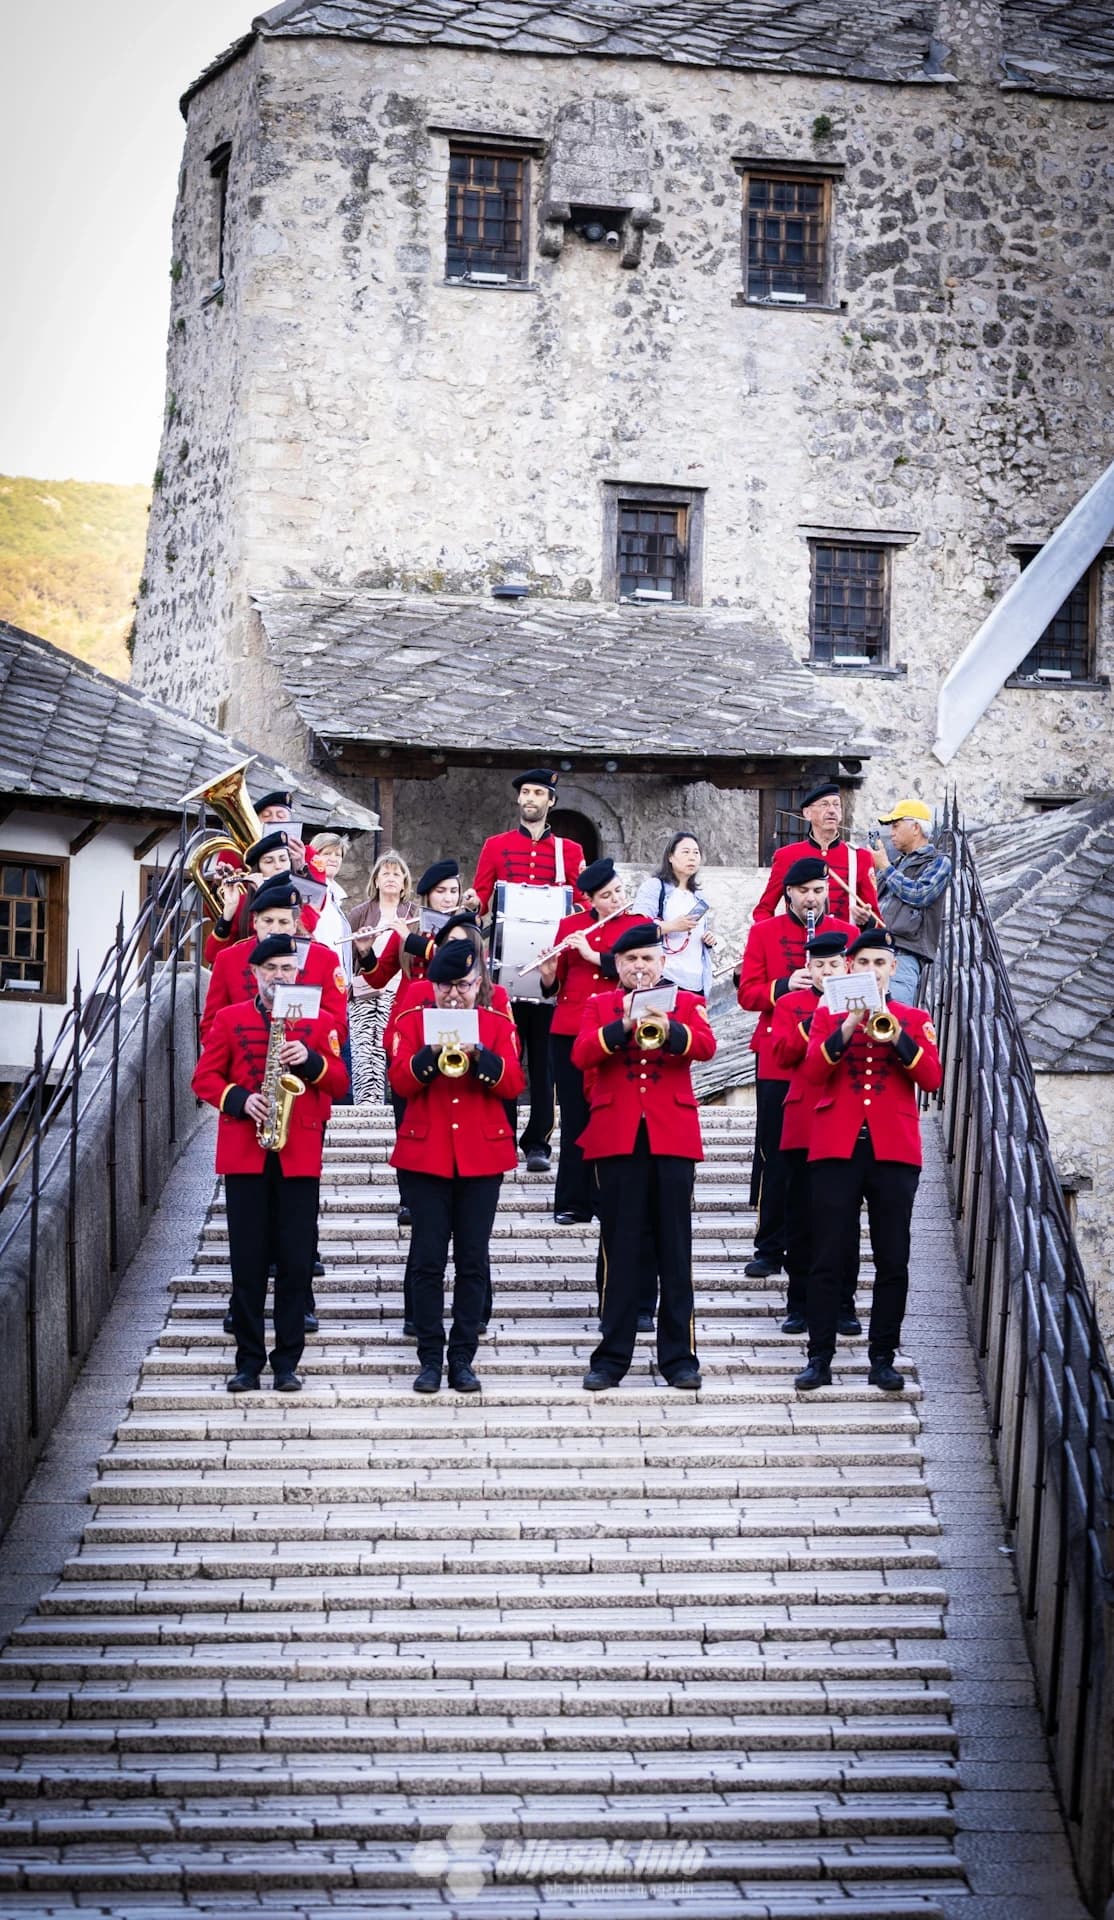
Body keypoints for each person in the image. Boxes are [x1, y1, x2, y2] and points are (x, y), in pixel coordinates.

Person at [191, 934, 348, 1393]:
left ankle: (286, 1364)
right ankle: (247, 1362)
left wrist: (313, 1061)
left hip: (299, 1155)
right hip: (246, 1155)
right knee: (248, 1263)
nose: (280, 976)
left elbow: (339, 1083)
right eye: (271, 969)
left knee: (297, 1264)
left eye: (288, 969)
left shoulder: (318, 1023)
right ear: (256, 974)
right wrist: (240, 1100)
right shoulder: (228, 1018)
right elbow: (203, 1079)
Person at [794, 927, 942, 1394]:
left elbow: (933, 1079)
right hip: (836, 1147)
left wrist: (897, 1036)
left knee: (893, 1257)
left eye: (881, 964)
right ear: (850, 968)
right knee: (827, 1256)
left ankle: (884, 1356)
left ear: (892, 970)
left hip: (893, 1150)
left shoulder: (914, 1018)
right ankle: (819, 1357)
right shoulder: (827, 1016)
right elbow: (814, 1073)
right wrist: (848, 1024)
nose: (873, 972)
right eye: (864, 964)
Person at [572, 922, 716, 1392]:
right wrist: (625, 1024)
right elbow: (582, 1054)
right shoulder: (598, 1006)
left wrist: (669, 1026)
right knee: (620, 1248)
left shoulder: (688, 1002)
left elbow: (707, 1047)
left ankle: (680, 1358)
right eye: (631, 960)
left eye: (647, 959)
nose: (639, 967)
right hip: (617, 1136)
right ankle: (611, 1357)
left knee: (676, 1249)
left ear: (662, 963)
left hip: (671, 1136)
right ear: (618, 965)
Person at [388, 940, 524, 1394]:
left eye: (464, 986)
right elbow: (400, 1082)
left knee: (472, 1261)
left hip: (481, 1157)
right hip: (424, 1156)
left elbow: (514, 1085)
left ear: (479, 984)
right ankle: (429, 1356)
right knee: (426, 1260)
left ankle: (462, 1357)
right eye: (446, 985)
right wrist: (432, 1053)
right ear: (433, 984)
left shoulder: (497, 1023)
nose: (454, 995)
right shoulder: (411, 1021)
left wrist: (481, 1055)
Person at [736, 858, 856, 1281]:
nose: (812, 899)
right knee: (776, 1155)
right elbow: (748, 995)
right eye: (803, 891)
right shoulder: (763, 932)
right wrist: (787, 985)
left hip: (834, 1056)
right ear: (788, 892)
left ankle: (825, 1245)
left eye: (819, 890)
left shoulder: (848, 935)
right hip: (778, 1054)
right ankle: (769, 1247)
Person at [465, 769, 587, 1172]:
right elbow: (481, 899)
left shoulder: (568, 851)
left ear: (551, 801)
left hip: (549, 966)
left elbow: (581, 903)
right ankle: (499, 1133)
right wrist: (470, 902)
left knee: (544, 1058)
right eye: (525, 793)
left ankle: (537, 1140)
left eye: (538, 793)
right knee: (504, 1050)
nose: (530, 799)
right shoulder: (496, 846)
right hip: (503, 968)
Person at [538, 857, 644, 1225]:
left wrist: (593, 955)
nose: (616, 900)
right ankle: (572, 1201)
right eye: (607, 896)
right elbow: (554, 987)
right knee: (575, 1117)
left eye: (618, 892)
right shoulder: (570, 926)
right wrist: (549, 974)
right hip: (570, 1030)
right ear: (590, 900)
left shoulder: (639, 925)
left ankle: (607, 1200)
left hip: (617, 1029)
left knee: (610, 1115)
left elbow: (641, 969)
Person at [769, 930, 859, 1336]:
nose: (826, 971)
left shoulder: (861, 1005)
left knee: (844, 1222)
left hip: (845, 1121)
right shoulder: (789, 1005)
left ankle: (843, 1304)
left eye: (834, 965)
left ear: (847, 967)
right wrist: (814, 1021)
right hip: (803, 1121)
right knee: (801, 1217)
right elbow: (783, 1055)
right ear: (808, 969)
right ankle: (799, 1303)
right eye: (819, 966)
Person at [752, 782, 879, 927]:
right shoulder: (787, 856)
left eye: (836, 805)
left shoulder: (860, 857)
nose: (832, 810)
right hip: (799, 944)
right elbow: (763, 910)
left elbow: (876, 917)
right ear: (807, 814)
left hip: (845, 945)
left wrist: (867, 921)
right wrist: (773, 940)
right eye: (824, 804)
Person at [345, 850, 414, 1105]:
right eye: (385, 873)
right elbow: (346, 952)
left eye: (397, 874)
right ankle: (367, 1109)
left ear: (405, 883)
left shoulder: (414, 914)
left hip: (399, 995)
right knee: (365, 1054)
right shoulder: (359, 913)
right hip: (364, 992)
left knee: (396, 1051)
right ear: (375, 880)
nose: (391, 878)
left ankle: (397, 1105)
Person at [871, 799, 952, 1006]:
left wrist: (886, 868)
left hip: (904, 953)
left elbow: (920, 894)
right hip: (876, 949)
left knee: (894, 1019)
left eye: (896, 826)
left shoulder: (939, 861)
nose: (892, 833)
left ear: (915, 827)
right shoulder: (898, 862)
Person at [203, 829, 320, 963]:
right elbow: (212, 956)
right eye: (269, 861)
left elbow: (309, 925)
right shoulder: (243, 901)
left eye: (283, 859)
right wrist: (228, 911)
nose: (278, 866)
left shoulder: (300, 896)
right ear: (258, 870)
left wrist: (266, 894)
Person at [631, 831, 716, 1000]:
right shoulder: (655, 887)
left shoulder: (699, 895)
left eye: (696, 852)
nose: (692, 857)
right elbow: (637, 927)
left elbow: (696, 935)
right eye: (685, 852)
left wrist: (709, 939)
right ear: (670, 857)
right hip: (664, 976)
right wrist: (673, 926)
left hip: (697, 979)